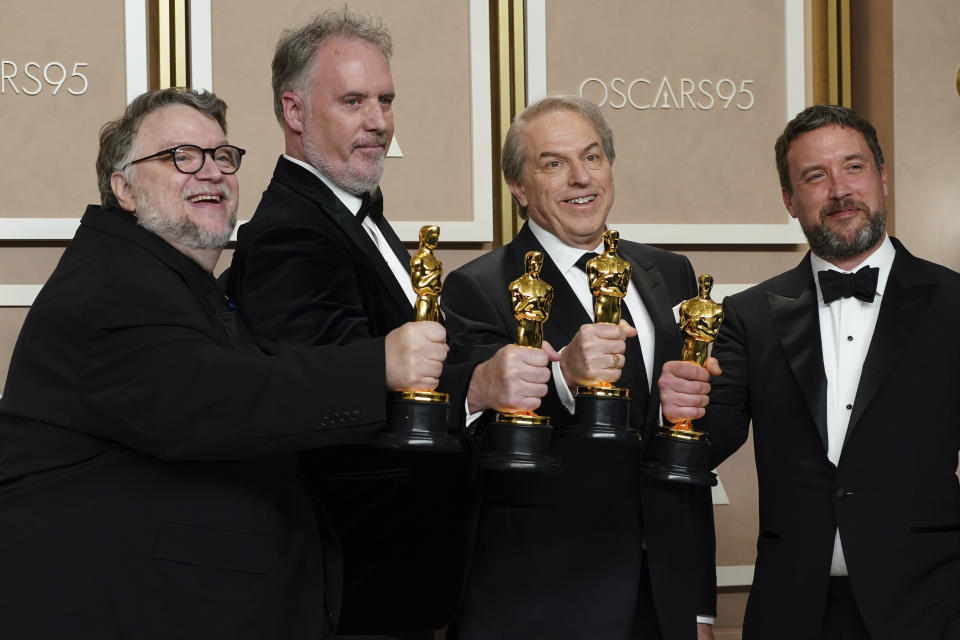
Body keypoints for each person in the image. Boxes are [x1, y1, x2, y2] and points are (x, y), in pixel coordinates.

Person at [0, 88, 447, 639]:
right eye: (180, 157)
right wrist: (377, 364)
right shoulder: (111, 284)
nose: (210, 172)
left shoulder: (174, 280)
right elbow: (214, 398)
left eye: (222, 156)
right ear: (125, 190)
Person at [226, 9, 555, 637]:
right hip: (354, 583)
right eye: (353, 101)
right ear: (294, 113)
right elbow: (329, 390)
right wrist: (478, 387)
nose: (378, 121)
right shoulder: (291, 233)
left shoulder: (349, 211)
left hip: (399, 583)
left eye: (385, 100)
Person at [659, 104, 960, 639]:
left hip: (932, 609)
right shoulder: (747, 315)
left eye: (854, 167)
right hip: (791, 611)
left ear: (882, 178)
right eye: (814, 176)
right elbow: (707, 441)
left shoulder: (954, 303)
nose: (839, 190)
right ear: (788, 200)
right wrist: (677, 411)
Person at [441, 95, 717, 640]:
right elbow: (473, 448)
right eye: (553, 163)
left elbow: (685, 453)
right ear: (518, 187)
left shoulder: (671, 273)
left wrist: (699, 606)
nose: (579, 177)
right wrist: (564, 379)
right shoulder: (478, 287)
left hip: (662, 600)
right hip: (544, 603)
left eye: (592, 157)